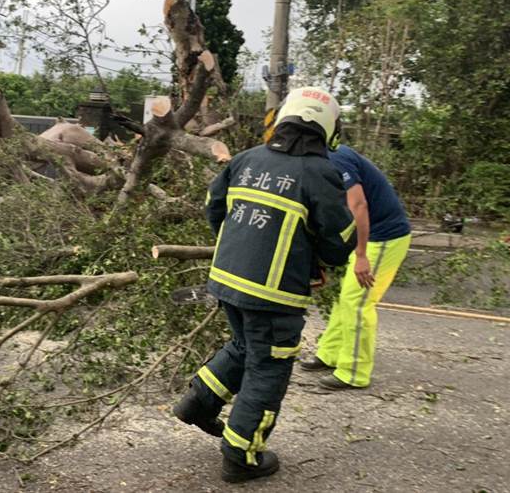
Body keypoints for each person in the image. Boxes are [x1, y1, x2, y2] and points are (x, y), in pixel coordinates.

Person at [173, 87, 356, 484]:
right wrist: (315, 257)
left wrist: (239, 248)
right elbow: (340, 243)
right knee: (268, 367)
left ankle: (197, 402)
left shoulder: (246, 159)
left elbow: (214, 207)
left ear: (284, 119)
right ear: (327, 130)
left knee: (244, 346)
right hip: (273, 295)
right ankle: (241, 455)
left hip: (226, 280)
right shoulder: (320, 173)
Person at [299, 144, 412, 390]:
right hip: (368, 236)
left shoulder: (336, 157)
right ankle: (330, 354)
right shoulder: (314, 157)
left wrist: (361, 255)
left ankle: (354, 372)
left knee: (357, 302)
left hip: (383, 237)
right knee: (345, 298)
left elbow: (358, 205)